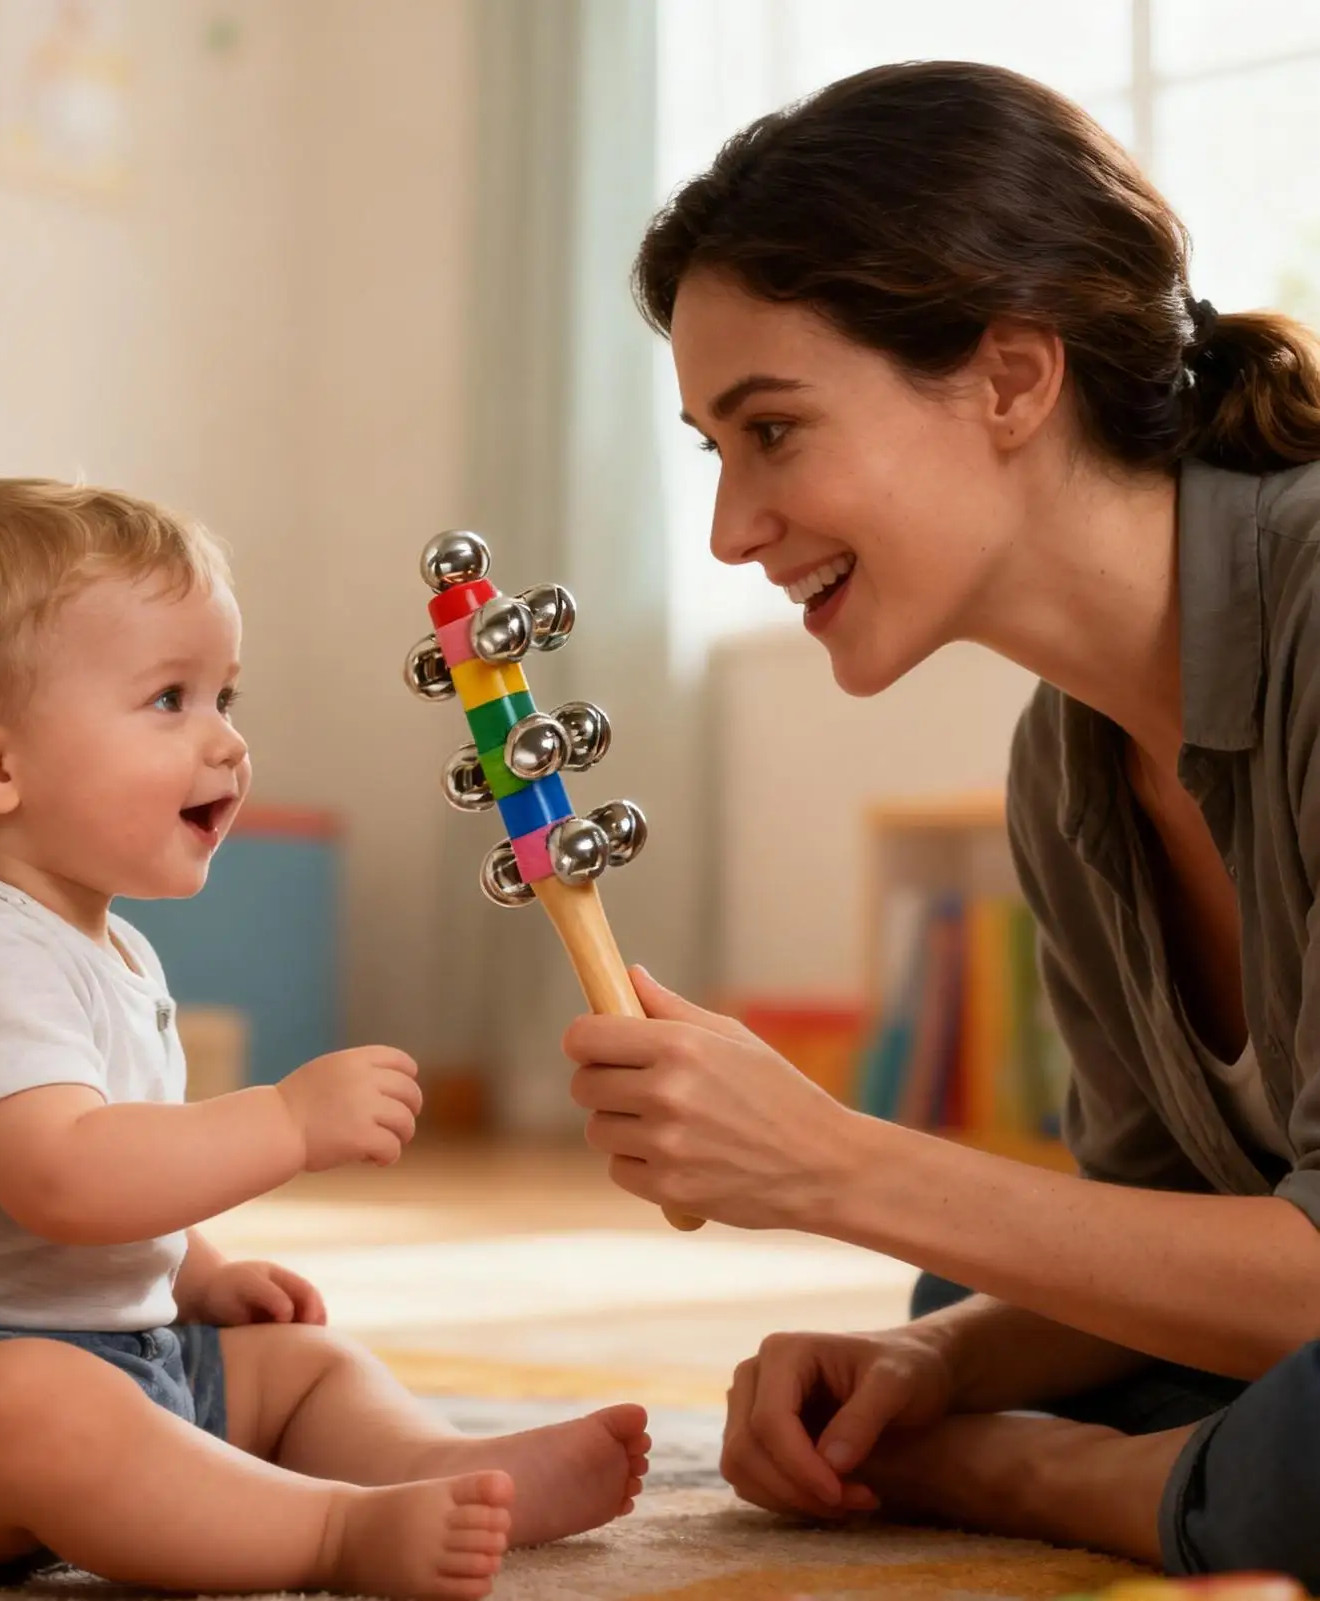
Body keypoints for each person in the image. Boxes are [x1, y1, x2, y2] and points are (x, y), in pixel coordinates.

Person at [562, 60, 1320, 1585]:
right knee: (943, 1308)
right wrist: (944, 1370)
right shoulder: (1068, 764)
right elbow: (1162, 1222)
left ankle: (1076, 1483)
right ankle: (1165, 1468)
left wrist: (835, 1165)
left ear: (1011, 378)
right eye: (714, 450)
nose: (728, 530)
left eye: (773, 429)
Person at [0, 479, 649, 1600]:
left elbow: (108, 1174)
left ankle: (432, 1463)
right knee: (43, 1405)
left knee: (295, 1366)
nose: (226, 741)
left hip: (107, 1352)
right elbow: (65, 1176)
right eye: (169, 699)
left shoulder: (108, 946)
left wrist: (195, 1269)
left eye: (225, 695)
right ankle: (329, 1532)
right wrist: (281, 1119)